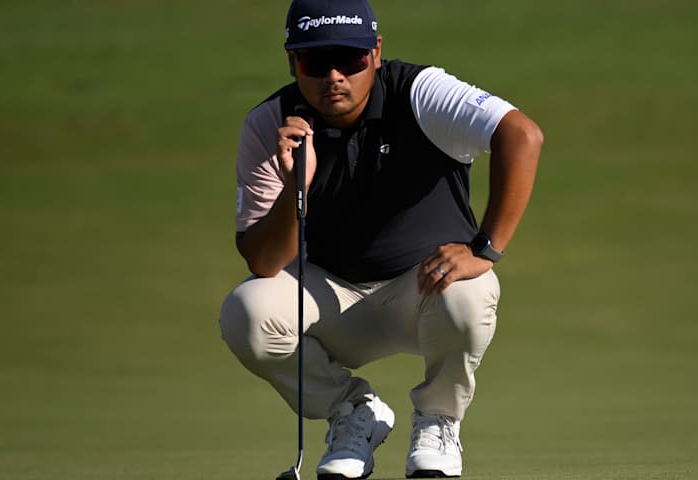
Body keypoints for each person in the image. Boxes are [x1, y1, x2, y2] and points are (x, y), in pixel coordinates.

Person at [219, 0, 542, 478]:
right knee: (246, 311)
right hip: (331, 301)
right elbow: (265, 262)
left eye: (349, 60)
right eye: (315, 62)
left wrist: (484, 249)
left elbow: (521, 135)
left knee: (470, 292)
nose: (334, 76)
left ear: (375, 52)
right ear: (293, 63)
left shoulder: (420, 92)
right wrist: (296, 186)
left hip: (424, 294)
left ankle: (438, 420)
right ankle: (354, 415)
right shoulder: (270, 125)